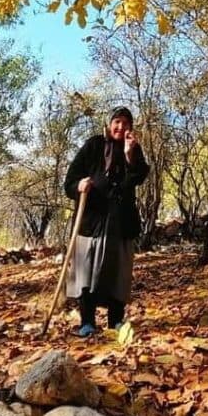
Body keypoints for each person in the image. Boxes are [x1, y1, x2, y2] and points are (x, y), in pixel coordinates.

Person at [63, 106, 149, 337]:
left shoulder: (133, 149)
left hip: (121, 222)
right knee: (86, 272)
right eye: (117, 122)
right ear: (109, 123)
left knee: (118, 272)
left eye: (125, 123)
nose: (120, 127)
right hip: (92, 221)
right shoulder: (93, 146)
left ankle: (115, 322)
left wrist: (130, 154)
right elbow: (70, 180)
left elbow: (140, 176)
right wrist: (79, 186)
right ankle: (87, 322)